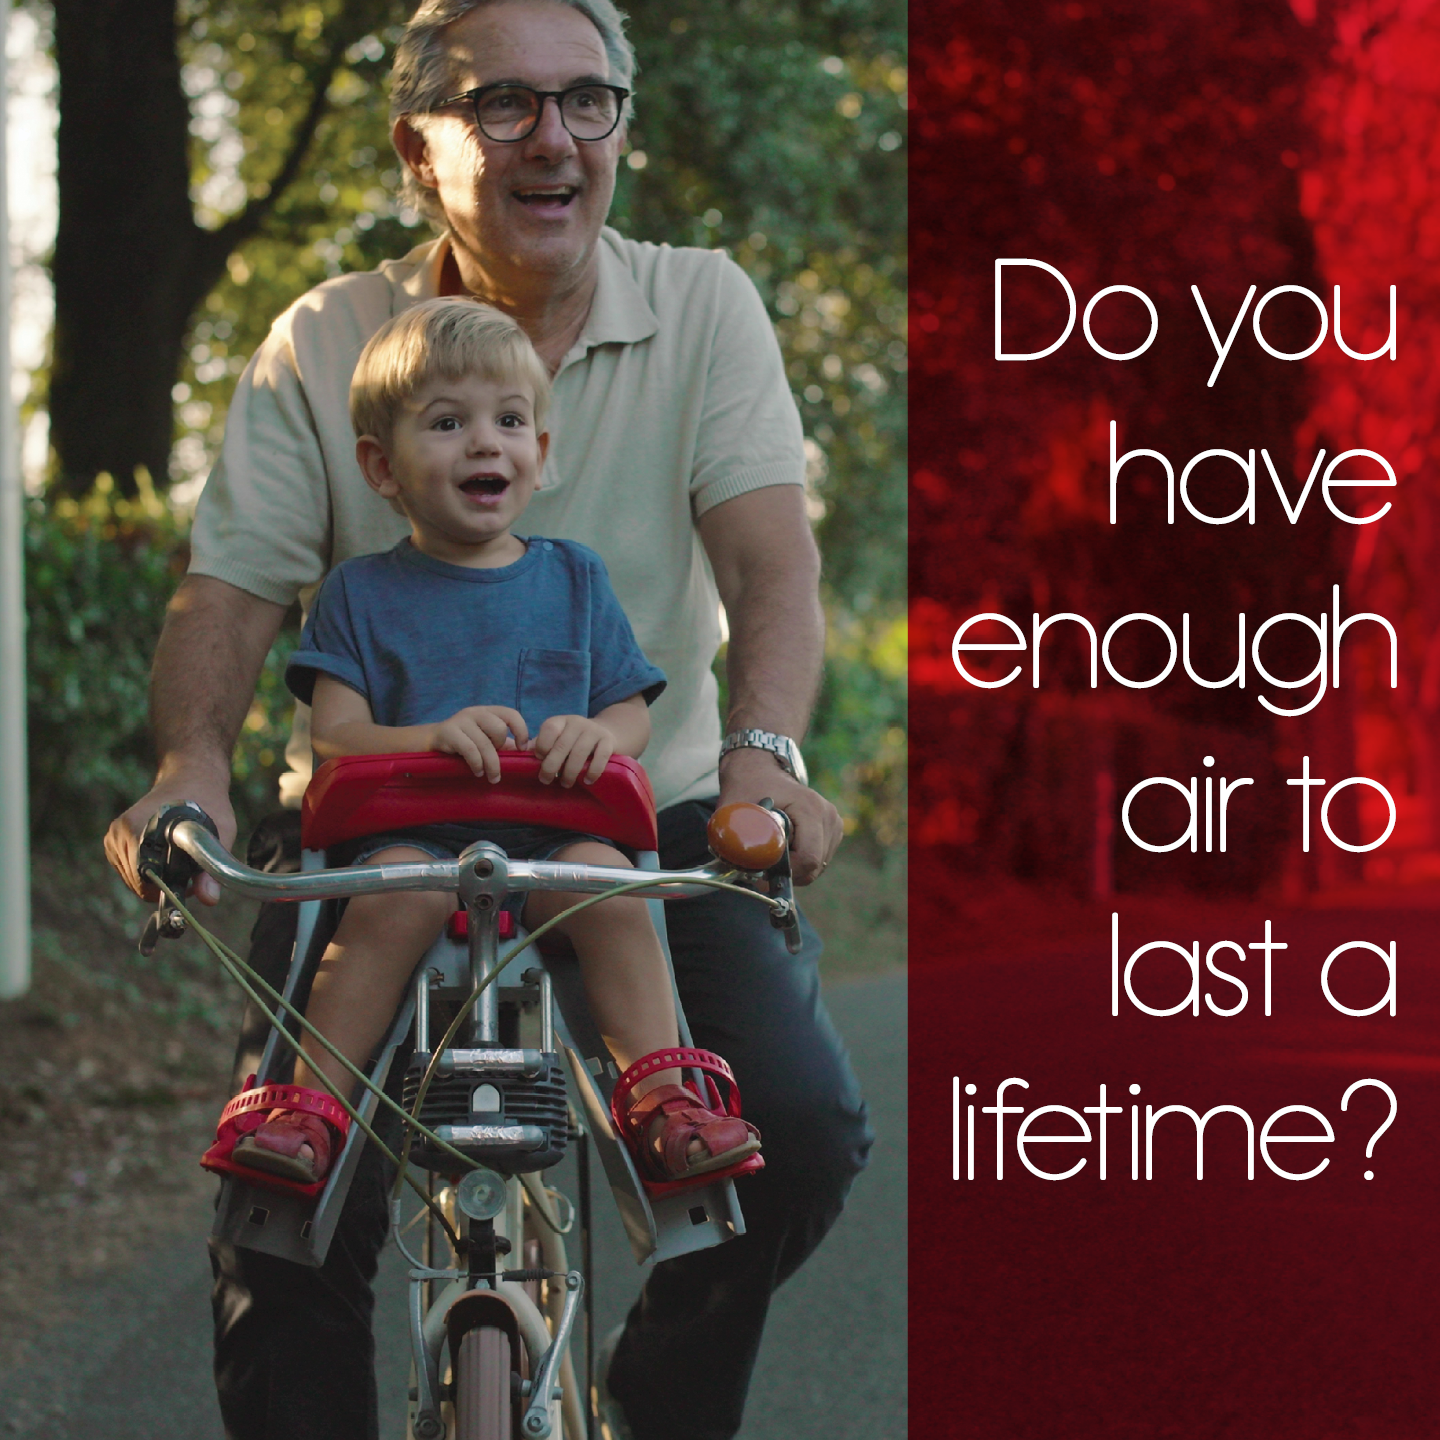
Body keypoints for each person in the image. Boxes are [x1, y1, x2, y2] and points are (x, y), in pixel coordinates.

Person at [105, 1, 872, 1436]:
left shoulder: (704, 304)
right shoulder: (325, 336)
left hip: (642, 816)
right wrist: (189, 767)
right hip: (378, 829)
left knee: (799, 1137)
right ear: (419, 150)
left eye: (588, 102)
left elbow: (771, 568)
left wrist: (764, 762)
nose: (554, 140)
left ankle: (651, 1398)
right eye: (503, 105)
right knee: (281, 1218)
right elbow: (231, 592)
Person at [225, 297, 758, 1190]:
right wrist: (431, 736)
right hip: (413, 843)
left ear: (539, 454)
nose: (485, 442)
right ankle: (309, 1111)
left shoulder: (575, 578)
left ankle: (666, 1100)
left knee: (613, 885)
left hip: (552, 840)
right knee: (391, 901)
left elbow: (631, 715)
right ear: (381, 466)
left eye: (510, 421)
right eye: (447, 423)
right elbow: (336, 737)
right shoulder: (358, 592)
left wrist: (595, 733)